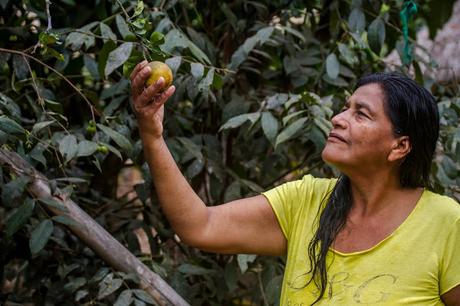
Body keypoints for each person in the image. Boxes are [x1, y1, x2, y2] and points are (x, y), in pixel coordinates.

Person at [130, 61, 460, 305]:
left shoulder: (445, 223)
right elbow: (200, 225)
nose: (338, 118)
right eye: (345, 107)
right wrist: (152, 134)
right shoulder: (305, 201)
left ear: (400, 146)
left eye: (361, 114)